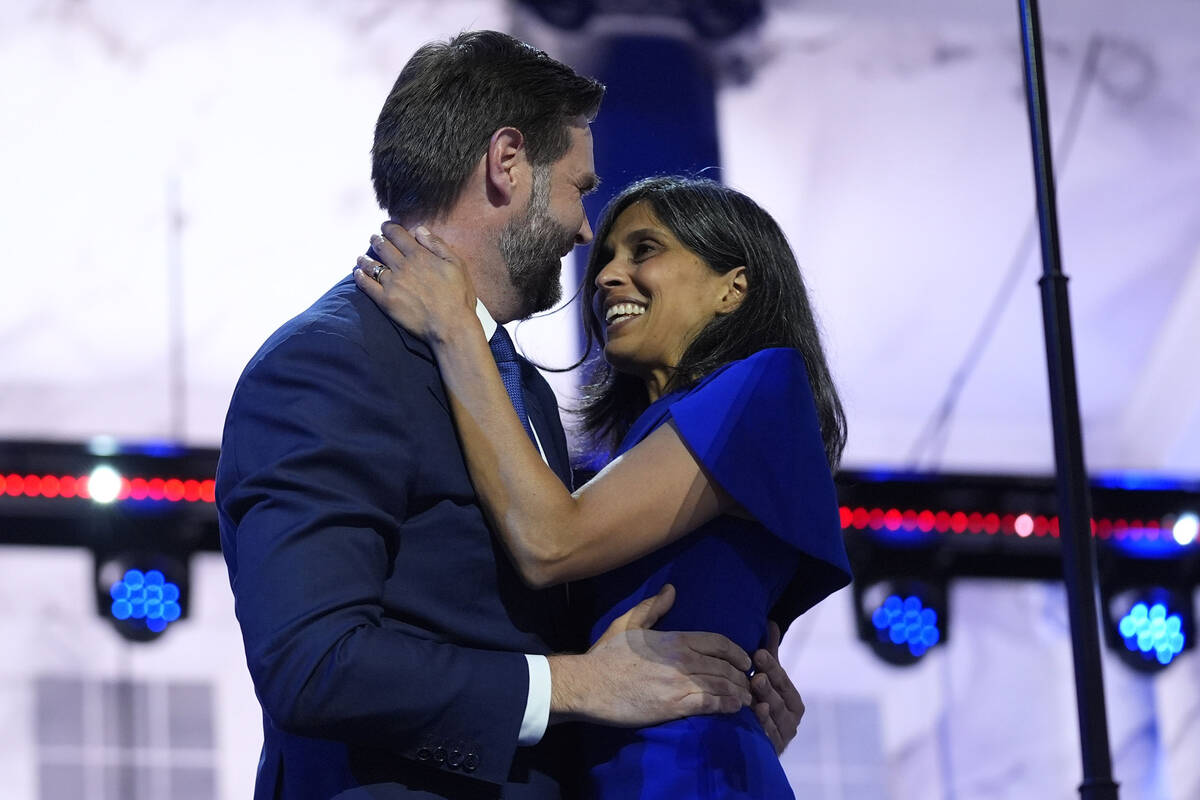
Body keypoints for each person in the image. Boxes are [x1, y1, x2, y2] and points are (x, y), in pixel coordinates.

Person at [217, 32, 804, 800]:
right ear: (506, 163)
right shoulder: (327, 365)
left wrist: (709, 703)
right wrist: (575, 686)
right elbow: (313, 664)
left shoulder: (517, 388)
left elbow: (536, 637)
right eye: (578, 187)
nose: (586, 230)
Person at [354, 174, 853, 799]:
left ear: (735, 286)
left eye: (645, 250)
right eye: (607, 258)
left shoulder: (765, 386)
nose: (607, 276)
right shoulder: (633, 452)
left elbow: (550, 541)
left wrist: (456, 327)